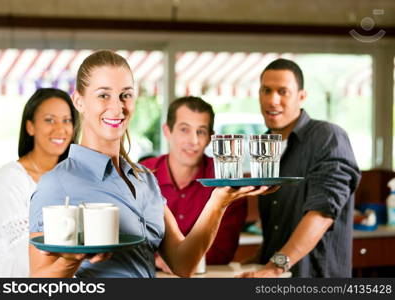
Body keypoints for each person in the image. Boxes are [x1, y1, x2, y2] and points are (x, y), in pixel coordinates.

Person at [28, 50, 270, 278]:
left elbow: (183, 263)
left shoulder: (145, 179)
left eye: (126, 95)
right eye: (103, 95)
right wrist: (72, 259)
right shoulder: (57, 184)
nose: (117, 107)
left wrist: (218, 201)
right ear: (79, 102)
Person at [240, 58, 361, 278]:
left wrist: (274, 267)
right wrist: (257, 261)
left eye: (283, 91)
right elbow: (278, 226)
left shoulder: (328, 137)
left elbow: (322, 213)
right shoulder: (265, 147)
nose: (272, 100)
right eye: (266, 90)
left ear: (301, 96)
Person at [141, 96, 247, 273]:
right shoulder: (142, 175)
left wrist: (180, 260)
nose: (194, 141)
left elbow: (223, 251)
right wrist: (159, 260)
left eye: (201, 131)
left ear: (210, 137)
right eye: (184, 130)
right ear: (167, 131)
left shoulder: (227, 179)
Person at [0, 88, 78, 277]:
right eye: (49, 120)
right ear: (30, 127)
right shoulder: (11, 177)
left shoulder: (74, 178)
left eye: (66, 120)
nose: (60, 129)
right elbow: (22, 246)